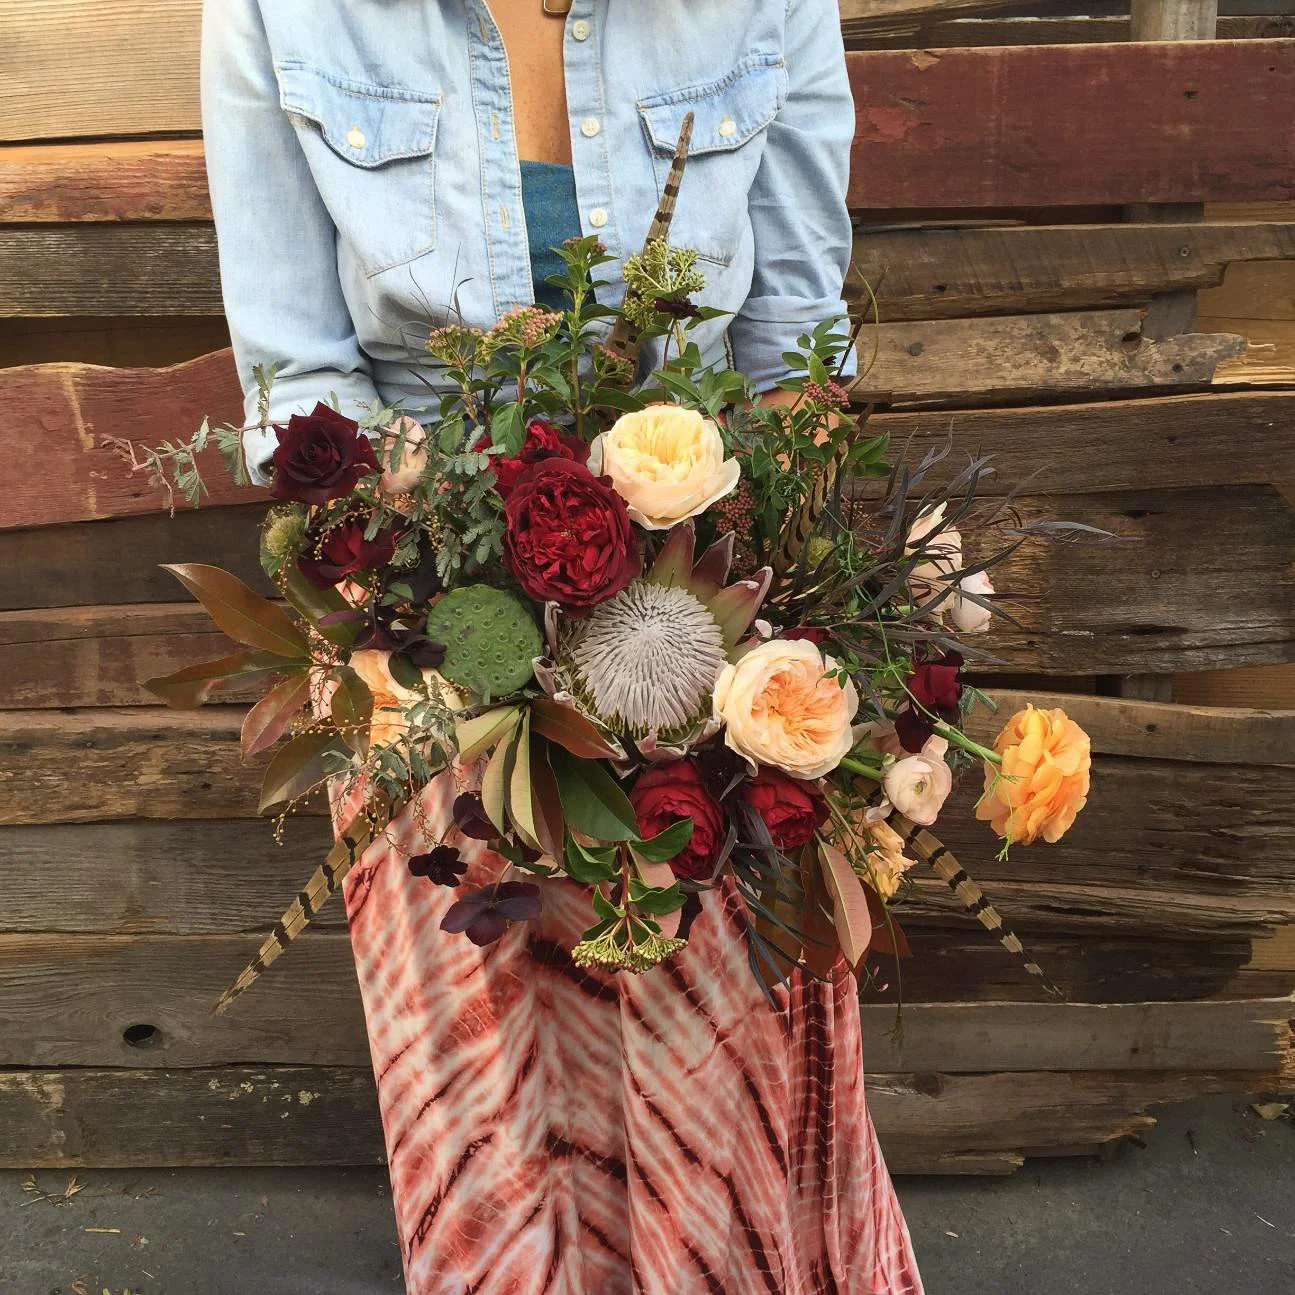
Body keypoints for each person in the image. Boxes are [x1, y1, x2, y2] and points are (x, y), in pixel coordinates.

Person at [201, 3, 924, 1292]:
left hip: (707, 660)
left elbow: (794, 361)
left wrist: (763, 652)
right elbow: (298, 383)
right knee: (496, 1118)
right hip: (425, 658)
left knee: (727, 1110)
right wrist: (462, 627)